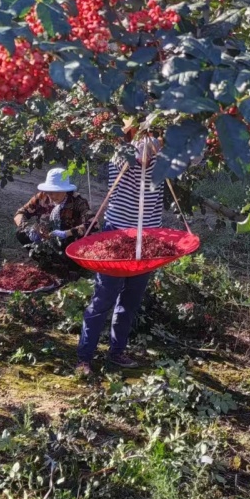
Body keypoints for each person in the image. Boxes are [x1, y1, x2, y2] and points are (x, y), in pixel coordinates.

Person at [76, 129, 162, 376]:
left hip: (147, 239)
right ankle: (84, 357)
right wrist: (160, 140)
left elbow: (194, 158)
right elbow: (143, 156)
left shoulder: (163, 148)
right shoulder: (120, 148)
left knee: (130, 300)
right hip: (118, 236)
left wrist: (191, 132)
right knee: (104, 298)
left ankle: (117, 352)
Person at [14, 168, 94, 247]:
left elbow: (93, 225)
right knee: (21, 233)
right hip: (46, 238)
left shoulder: (78, 201)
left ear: (65, 190)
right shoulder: (42, 197)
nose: (53, 196)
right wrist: (28, 228)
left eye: (58, 191)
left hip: (69, 242)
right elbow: (20, 213)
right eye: (50, 192)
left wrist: (67, 233)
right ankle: (44, 258)